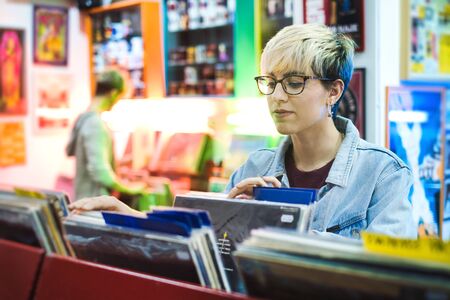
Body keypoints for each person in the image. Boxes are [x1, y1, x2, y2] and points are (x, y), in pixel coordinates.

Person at [70, 24, 417, 239]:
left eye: (294, 83)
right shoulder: (255, 168)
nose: (278, 97)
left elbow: (387, 277)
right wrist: (130, 217)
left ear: (334, 91)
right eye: (270, 82)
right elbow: (203, 243)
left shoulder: (383, 175)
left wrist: (270, 225)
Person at [66, 69, 143, 202]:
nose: (117, 102)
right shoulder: (95, 124)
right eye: (120, 97)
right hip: (94, 204)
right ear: (113, 93)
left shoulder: (84, 118)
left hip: (83, 200)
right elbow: (100, 173)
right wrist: (130, 188)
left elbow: (77, 153)